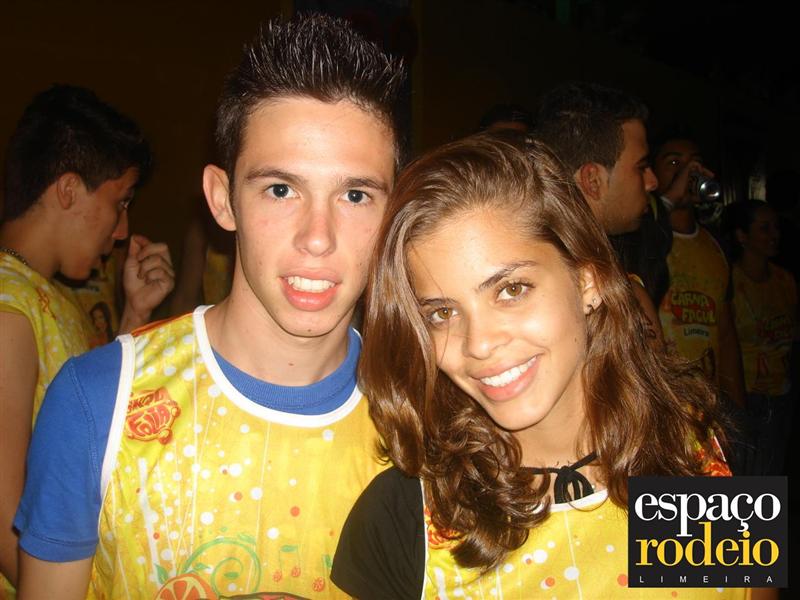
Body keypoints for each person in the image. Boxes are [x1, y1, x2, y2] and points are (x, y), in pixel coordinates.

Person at [13, 13, 405, 599]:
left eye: (354, 195)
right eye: (281, 189)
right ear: (223, 199)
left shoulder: (425, 421)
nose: (317, 238)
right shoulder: (96, 404)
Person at [330, 133, 752, 599]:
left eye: (511, 290)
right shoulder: (408, 516)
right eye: (442, 313)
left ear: (587, 280)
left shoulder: (686, 448)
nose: (480, 344)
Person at [0, 85, 174, 592]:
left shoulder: (43, 294)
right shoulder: (8, 309)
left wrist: (135, 313)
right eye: (120, 202)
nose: (122, 231)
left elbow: (87, 425)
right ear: (69, 190)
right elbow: (5, 516)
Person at [535, 81, 664, 346]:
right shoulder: (615, 299)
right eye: (641, 167)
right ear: (592, 180)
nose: (653, 182)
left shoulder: (525, 274)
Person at [653, 133, 746, 409]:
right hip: (659, 404)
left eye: (695, 164)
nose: (687, 173)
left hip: (706, 406)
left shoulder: (716, 247)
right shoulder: (642, 239)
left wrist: (737, 406)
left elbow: (725, 331)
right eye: (674, 163)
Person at [723, 200, 796, 475]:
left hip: (782, 394)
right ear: (742, 236)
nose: (774, 234)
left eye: (776, 227)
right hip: (747, 394)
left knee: (772, 471)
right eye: (764, 228)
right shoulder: (729, 280)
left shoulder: (785, 281)